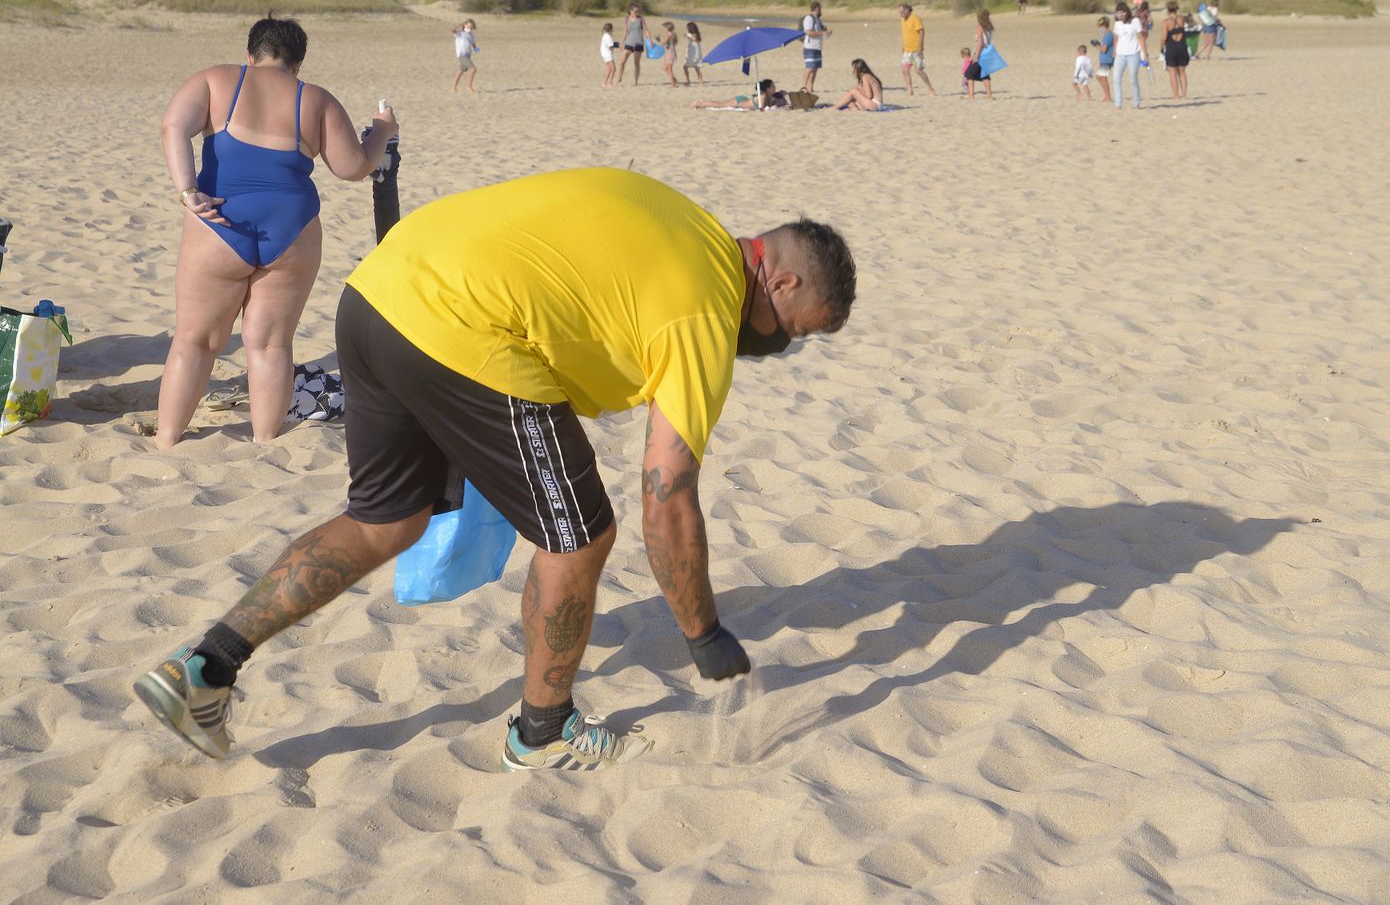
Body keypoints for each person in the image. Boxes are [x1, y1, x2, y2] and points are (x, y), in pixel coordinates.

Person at [133, 167, 856, 770]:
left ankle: (206, 666)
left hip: (380, 291)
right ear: (782, 284)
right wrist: (703, 633)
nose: (779, 346)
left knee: (384, 520)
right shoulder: (706, 309)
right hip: (464, 325)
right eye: (793, 332)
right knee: (580, 535)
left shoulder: (690, 224)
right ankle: (541, 732)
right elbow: (666, 498)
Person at [153, 14, 397, 448]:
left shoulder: (216, 80)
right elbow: (355, 167)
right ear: (298, 64)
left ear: (250, 54)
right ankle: (266, 441)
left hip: (221, 224)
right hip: (292, 229)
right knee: (270, 346)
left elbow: (174, 125)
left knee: (196, 342)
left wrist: (188, 191)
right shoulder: (315, 99)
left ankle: (168, 439)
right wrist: (382, 130)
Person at [1110, 2, 1146, 109]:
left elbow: (1140, 37)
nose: (1119, 15)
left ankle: (1136, 102)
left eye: (1121, 13)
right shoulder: (1117, 24)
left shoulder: (1135, 21)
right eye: (1117, 13)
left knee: (1133, 79)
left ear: (1126, 13)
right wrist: (1114, 50)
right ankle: (1118, 103)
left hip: (1133, 54)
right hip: (1120, 54)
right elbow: (1116, 38)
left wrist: (1145, 53)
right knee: (1116, 78)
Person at [897, 3, 936, 96]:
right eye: (899, 12)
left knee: (918, 71)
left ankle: (930, 88)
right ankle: (910, 90)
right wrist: (903, 46)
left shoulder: (915, 18)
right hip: (907, 50)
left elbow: (921, 32)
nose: (901, 14)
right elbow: (905, 34)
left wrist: (920, 47)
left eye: (902, 12)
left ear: (907, 10)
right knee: (904, 70)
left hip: (916, 49)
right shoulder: (902, 19)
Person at [692, 78, 787, 111]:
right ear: (768, 88)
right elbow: (761, 109)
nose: (775, 88)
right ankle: (699, 103)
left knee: (720, 104)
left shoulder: (768, 95)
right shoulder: (763, 95)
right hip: (739, 102)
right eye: (773, 86)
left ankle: (701, 103)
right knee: (720, 104)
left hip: (745, 100)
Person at [1161, 0, 1190, 100]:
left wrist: (1161, 48)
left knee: (1172, 73)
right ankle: (1184, 94)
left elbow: (1164, 38)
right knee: (1182, 72)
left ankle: (1176, 95)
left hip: (1172, 48)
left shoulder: (1166, 22)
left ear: (1168, 9)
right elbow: (1190, 19)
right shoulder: (1181, 19)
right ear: (1177, 8)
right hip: (1182, 46)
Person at [800, 2, 830, 95]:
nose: (821, 10)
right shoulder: (809, 18)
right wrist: (822, 33)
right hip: (810, 47)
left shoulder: (818, 19)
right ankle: (803, 87)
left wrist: (827, 31)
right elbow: (809, 32)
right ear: (817, 8)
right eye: (820, 8)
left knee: (815, 68)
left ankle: (810, 87)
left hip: (817, 47)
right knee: (809, 68)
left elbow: (822, 29)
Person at [966, 8, 996, 101]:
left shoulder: (980, 27)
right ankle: (989, 95)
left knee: (969, 74)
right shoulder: (989, 27)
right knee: (984, 75)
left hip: (980, 53)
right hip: (987, 53)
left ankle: (971, 96)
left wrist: (976, 56)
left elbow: (980, 43)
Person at [620, 3, 649, 86]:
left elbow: (646, 30)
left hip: (638, 43)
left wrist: (649, 40)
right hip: (628, 43)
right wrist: (622, 42)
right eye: (635, 11)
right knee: (622, 62)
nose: (637, 13)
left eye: (638, 11)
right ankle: (620, 77)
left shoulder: (641, 19)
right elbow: (625, 32)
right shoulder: (626, 19)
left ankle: (636, 81)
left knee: (636, 63)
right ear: (630, 11)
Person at [451, 19, 477, 94]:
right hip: (461, 55)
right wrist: (459, 25)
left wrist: (476, 50)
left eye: (471, 27)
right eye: (468, 26)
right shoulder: (459, 33)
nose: (470, 28)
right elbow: (452, 30)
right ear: (464, 25)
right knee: (473, 69)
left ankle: (453, 87)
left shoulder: (471, 35)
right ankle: (469, 87)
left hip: (468, 55)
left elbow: (474, 44)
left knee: (461, 71)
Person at [1094, 16, 1115, 103]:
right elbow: (1104, 46)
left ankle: (1108, 96)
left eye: (1100, 27)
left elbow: (1104, 49)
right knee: (1100, 77)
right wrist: (1098, 43)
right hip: (1105, 59)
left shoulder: (1108, 36)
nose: (1099, 29)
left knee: (1102, 77)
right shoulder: (1107, 35)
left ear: (1103, 26)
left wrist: (1095, 45)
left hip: (1107, 59)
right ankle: (1106, 94)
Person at [656, 21, 679, 88]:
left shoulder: (669, 34)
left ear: (667, 28)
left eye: (665, 27)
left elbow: (663, 43)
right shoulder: (674, 34)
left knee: (669, 69)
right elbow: (676, 42)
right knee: (665, 68)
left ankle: (673, 84)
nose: (664, 29)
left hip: (669, 52)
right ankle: (674, 80)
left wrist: (658, 40)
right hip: (670, 51)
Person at [683, 21, 706, 86]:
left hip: (694, 54)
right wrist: (687, 36)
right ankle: (700, 82)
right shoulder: (696, 34)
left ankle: (688, 81)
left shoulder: (695, 34)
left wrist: (688, 35)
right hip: (694, 53)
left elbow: (694, 39)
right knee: (696, 68)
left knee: (686, 67)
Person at [600, 22, 618, 88]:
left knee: (609, 69)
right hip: (607, 54)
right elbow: (610, 47)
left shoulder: (605, 35)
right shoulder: (608, 37)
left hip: (604, 53)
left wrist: (614, 44)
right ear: (610, 29)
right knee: (614, 69)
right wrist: (617, 45)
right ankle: (610, 83)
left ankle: (604, 83)